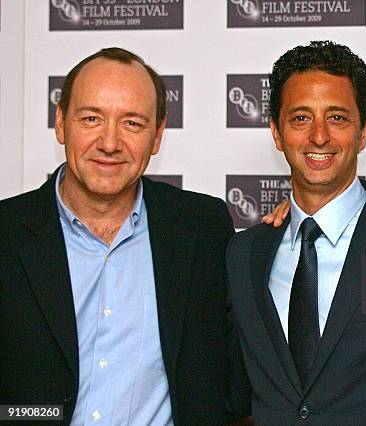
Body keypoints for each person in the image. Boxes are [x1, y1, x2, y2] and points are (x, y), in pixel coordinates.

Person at [0, 48, 249, 424]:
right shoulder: (6, 233)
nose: (110, 143)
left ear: (158, 135)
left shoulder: (203, 227)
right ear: (61, 123)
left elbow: (235, 377)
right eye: (91, 118)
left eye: (132, 123)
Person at [226, 40, 366, 424]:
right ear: (276, 132)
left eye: (337, 118)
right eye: (301, 118)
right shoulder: (244, 255)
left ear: (364, 132)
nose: (319, 136)